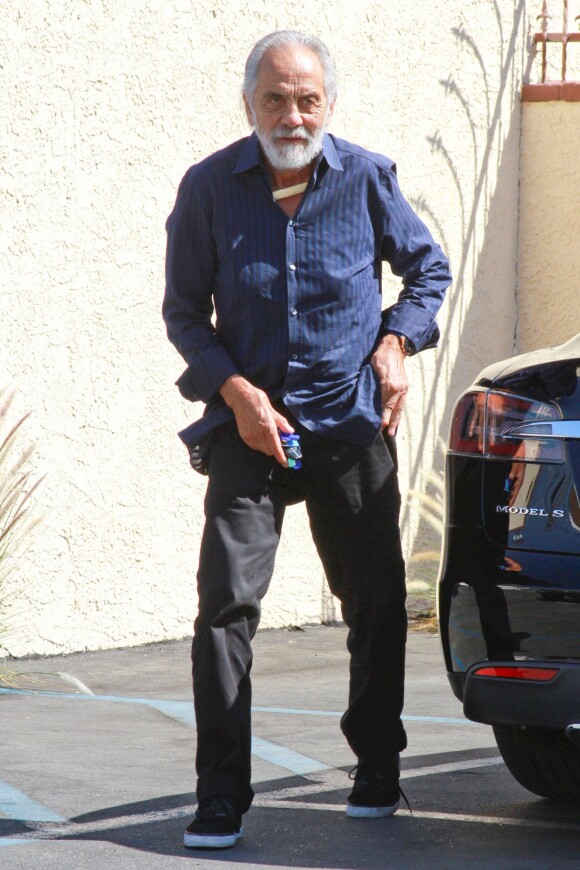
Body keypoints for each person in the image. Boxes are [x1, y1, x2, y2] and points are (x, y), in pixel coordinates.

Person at [163, 30, 451, 850]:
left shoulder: (365, 178)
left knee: (377, 603)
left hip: (350, 422)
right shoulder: (209, 188)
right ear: (248, 103)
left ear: (329, 102)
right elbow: (185, 312)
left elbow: (428, 269)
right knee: (225, 608)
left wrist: (397, 341)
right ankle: (220, 794)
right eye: (276, 98)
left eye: (308, 98)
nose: (293, 114)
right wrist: (236, 391)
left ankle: (377, 766)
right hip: (248, 430)